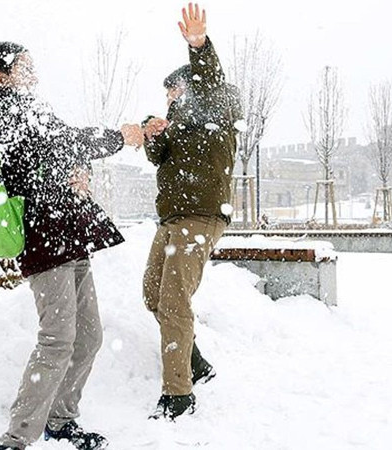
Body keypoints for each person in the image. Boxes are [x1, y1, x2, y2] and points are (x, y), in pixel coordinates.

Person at [0, 42, 144, 450]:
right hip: (44, 239)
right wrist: (116, 138)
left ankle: (61, 419)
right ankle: (16, 439)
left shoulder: (28, 107)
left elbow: (60, 148)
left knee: (88, 336)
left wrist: (79, 170)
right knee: (57, 339)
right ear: (0, 76)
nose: (34, 75)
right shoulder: (2, 110)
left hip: (69, 235)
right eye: (24, 67)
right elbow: (56, 145)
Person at [140, 3, 242, 420]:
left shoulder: (218, 107)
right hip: (173, 219)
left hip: (200, 217)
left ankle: (178, 395)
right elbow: (158, 157)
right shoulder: (178, 125)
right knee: (153, 294)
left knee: (174, 301)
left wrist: (198, 45)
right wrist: (152, 132)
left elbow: (211, 81)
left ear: (192, 87)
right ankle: (195, 362)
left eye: (175, 92)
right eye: (167, 95)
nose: (170, 99)